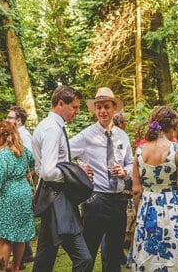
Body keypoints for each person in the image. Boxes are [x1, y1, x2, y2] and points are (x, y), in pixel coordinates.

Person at [68, 87, 133, 272]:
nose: (102, 111)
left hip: (118, 199)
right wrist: (79, 168)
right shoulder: (87, 135)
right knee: (88, 250)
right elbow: (63, 151)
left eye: (106, 107)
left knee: (114, 253)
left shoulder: (123, 136)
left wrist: (125, 172)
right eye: (99, 107)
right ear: (95, 110)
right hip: (96, 199)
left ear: (114, 109)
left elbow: (131, 163)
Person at [31, 85, 93, 272]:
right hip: (57, 201)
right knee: (84, 259)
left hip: (50, 199)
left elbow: (40, 166)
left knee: (44, 259)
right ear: (60, 104)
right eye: (74, 107)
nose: (77, 111)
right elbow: (48, 172)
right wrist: (75, 173)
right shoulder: (53, 130)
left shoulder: (45, 126)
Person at [130, 106, 178, 271]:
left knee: (149, 259)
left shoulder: (139, 151)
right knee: (175, 255)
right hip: (172, 211)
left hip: (147, 211)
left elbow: (136, 190)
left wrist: (141, 213)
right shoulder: (176, 149)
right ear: (173, 125)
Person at [0, 121, 36, 272]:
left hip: (7, 196)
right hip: (24, 193)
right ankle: (16, 267)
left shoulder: (2, 154)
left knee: (4, 238)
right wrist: (21, 178)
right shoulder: (22, 150)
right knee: (20, 235)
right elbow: (33, 166)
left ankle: (2, 270)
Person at [6, 105, 36, 264]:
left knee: (17, 220)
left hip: (21, 185)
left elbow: (33, 163)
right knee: (16, 219)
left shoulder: (25, 136)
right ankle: (25, 254)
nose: (7, 120)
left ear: (18, 120)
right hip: (14, 185)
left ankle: (19, 259)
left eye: (10, 118)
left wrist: (22, 178)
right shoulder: (14, 135)